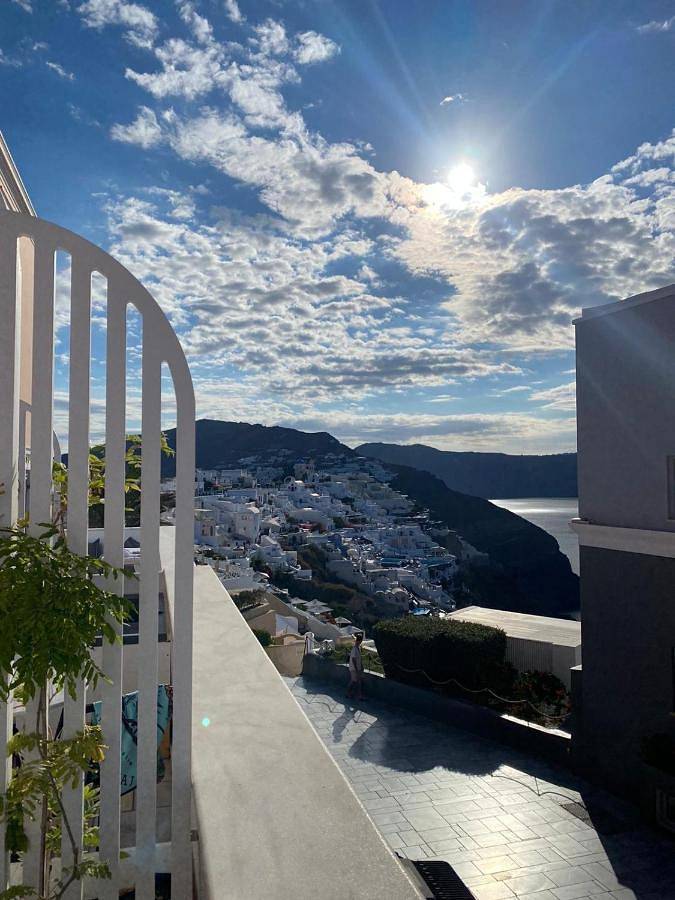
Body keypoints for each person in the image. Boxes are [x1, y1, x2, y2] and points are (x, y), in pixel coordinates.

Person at [346, 633, 365, 700]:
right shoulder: (355, 649)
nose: (361, 642)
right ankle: (348, 693)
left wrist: (361, 666)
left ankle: (358, 695)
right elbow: (353, 659)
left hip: (357, 668)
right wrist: (357, 669)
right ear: (359, 640)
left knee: (358, 681)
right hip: (354, 669)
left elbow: (359, 658)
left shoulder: (358, 648)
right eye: (360, 640)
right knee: (353, 681)